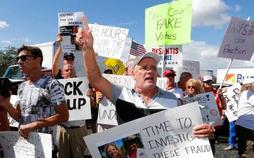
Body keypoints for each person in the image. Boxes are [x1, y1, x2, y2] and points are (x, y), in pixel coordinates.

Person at [75, 16, 213, 138]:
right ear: (133, 73)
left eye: (153, 67)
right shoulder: (121, 94)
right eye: (144, 67)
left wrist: (203, 130)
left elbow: (187, 130)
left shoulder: (173, 100)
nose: (150, 71)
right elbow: (95, 79)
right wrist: (87, 49)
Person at [0, 45, 69, 157]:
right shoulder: (22, 87)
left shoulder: (52, 84)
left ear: (38, 60)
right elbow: (21, 117)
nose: (19, 62)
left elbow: (64, 116)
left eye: (23, 58)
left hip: (45, 147)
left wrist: (34, 125)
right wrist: (5, 104)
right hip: (25, 147)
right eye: (17, 59)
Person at [54, 64, 88, 157]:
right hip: (62, 128)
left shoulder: (83, 86)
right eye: (67, 70)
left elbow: (91, 105)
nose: (70, 72)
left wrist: (90, 99)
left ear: (75, 73)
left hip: (79, 129)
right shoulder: (56, 87)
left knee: (79, 155)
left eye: (72, 70)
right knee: (62, 155)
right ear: (62, 74)